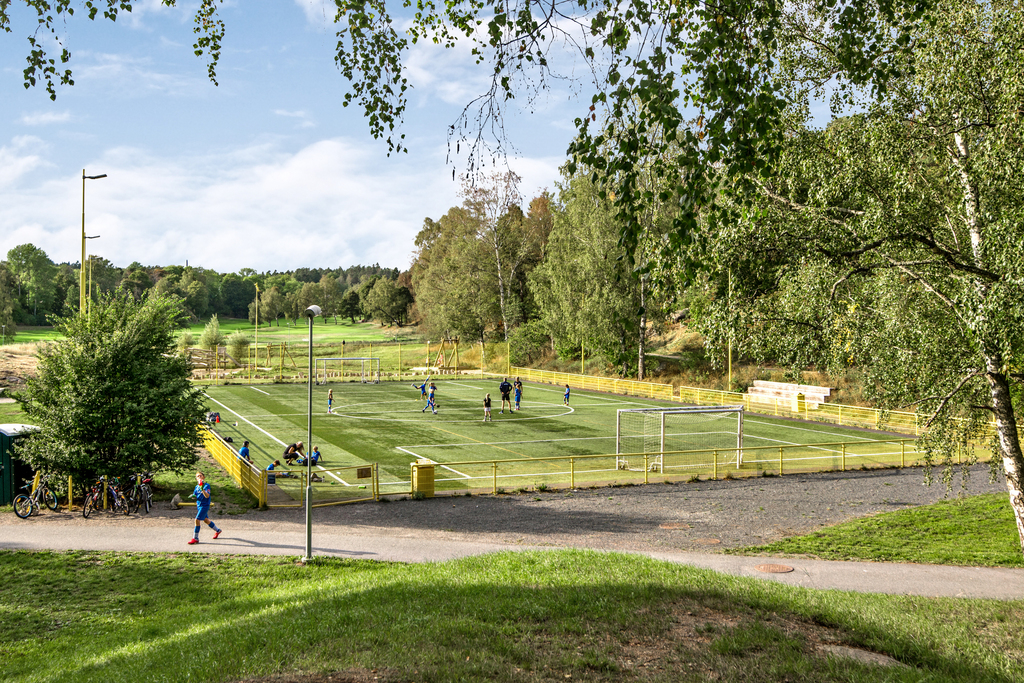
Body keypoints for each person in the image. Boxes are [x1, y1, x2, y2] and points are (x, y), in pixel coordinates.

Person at [187, 471, 222, 545]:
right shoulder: (196, 487)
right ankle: (218, 530)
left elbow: (207, 496)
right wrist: (193, 496)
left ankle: (195, 538)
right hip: (199, 505)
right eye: (197, 476)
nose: (199, 477)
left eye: (200, 476)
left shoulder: (206, 486)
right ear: (196, 479)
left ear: (203, 477)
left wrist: (202, 488)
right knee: (206, 520)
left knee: (197, 519)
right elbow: (195, 495)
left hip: (205, 505)